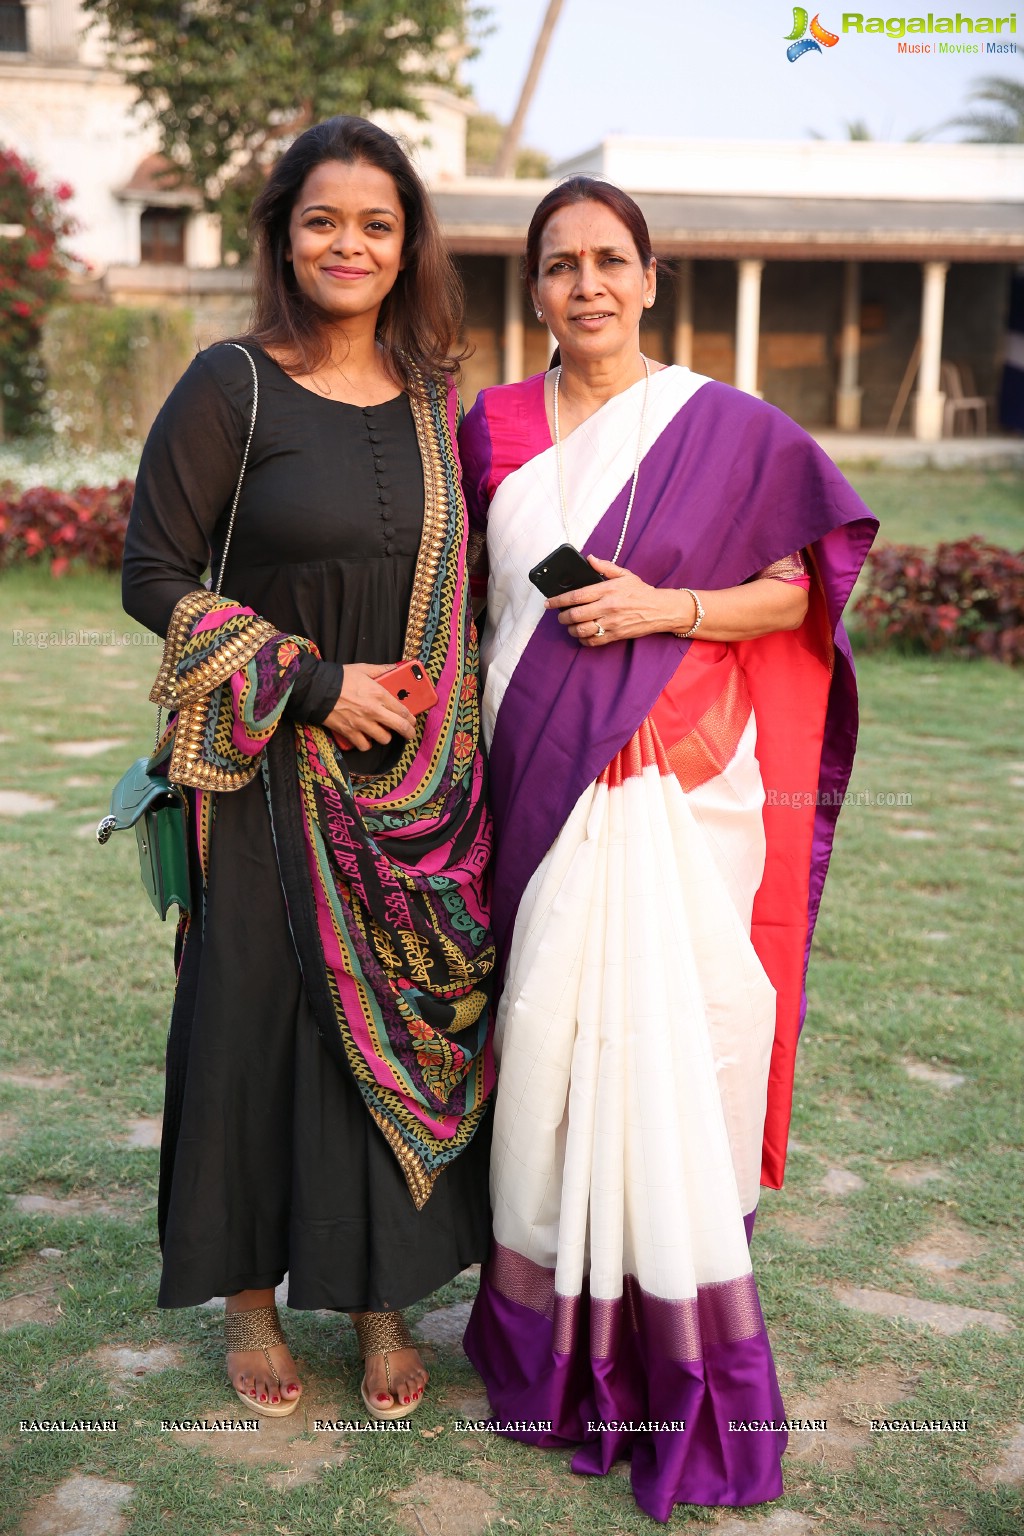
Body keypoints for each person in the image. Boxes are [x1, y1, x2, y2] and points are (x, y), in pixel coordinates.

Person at [459, 177, 877, 1519]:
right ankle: (546, 1340)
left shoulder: (720, 428)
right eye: (559, 263)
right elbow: (453, 599)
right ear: (532, 288)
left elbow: (796, 587)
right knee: (550, 1045)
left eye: (609, 260)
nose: (585, 283)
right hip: (539, 781)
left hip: (679, 780)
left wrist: (663, 606)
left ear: (652, 279)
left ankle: (671, 1351)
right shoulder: (492, 430)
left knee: (673, 1039)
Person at [121, 116, 495, 1422]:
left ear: (408, 245)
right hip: (266, 772)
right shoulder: (233, 383)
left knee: (382, 1030)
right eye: (322, 219)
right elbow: (154, 574)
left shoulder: (440, 395)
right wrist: (314, 685)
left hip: (413, 787)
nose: (349, 243)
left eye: (376, 224)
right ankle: (247, 1300)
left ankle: (384, 1300)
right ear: (283, 234)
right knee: (249, 1027)